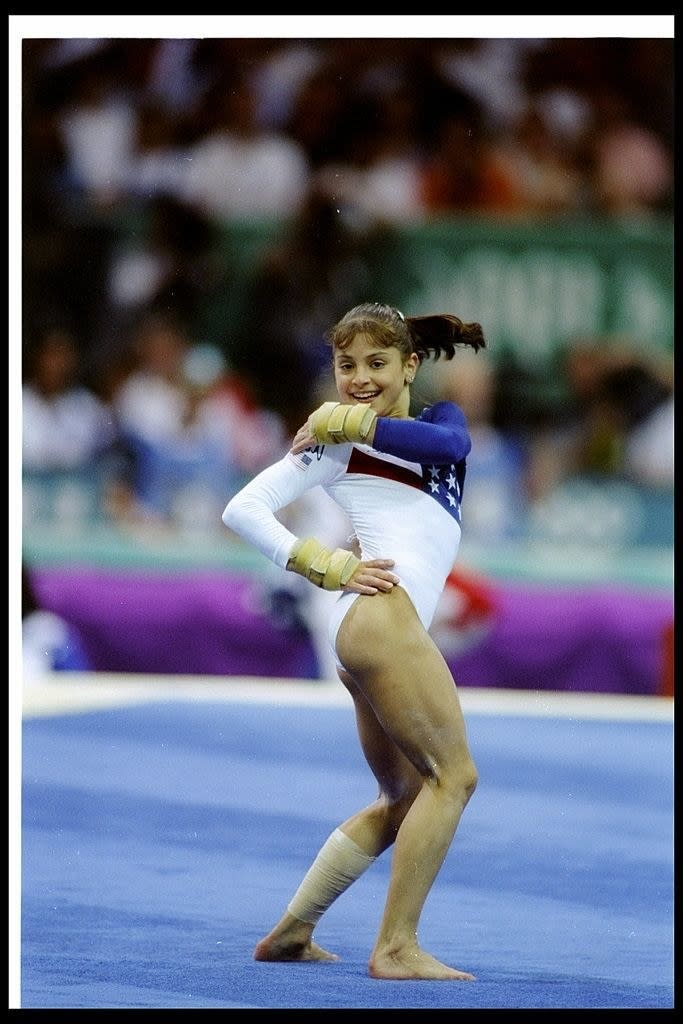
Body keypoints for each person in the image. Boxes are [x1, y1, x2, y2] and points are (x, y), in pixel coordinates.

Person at [222, 301, 486, 981]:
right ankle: (396, 946)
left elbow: (451, 447)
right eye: (346, 366)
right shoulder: (336, 445)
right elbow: (242, 509)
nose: (359, 377)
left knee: (402, 798)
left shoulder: (430, 424)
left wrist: (350, 419)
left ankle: (291, 931)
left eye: (376, 363)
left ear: (410, 365)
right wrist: (322, 563)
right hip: (378, 616)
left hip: (366, 629)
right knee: (452, 777)